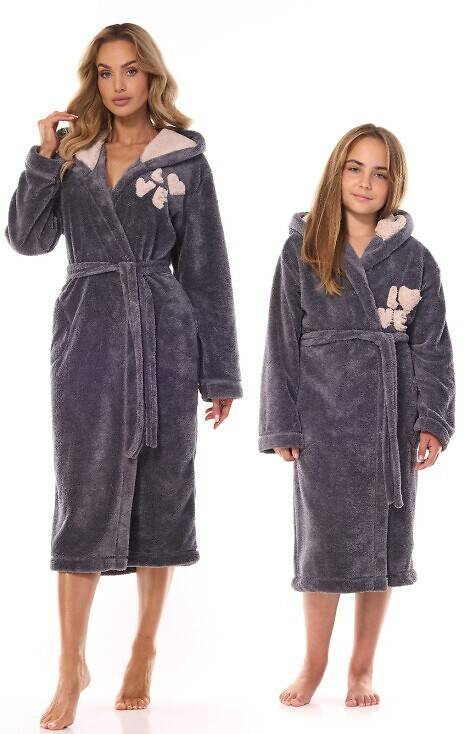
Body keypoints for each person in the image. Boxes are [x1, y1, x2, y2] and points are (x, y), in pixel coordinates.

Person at [5, 22, 242, 730]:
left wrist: (219, 373)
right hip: (87, 337)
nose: (118, 84)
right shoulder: (71, 156)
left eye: (130, 70)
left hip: (165, 337)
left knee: (163, 492)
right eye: (105, 72)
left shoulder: (184, 160)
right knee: (81, 495)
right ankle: (69, 665)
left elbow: (206, 270)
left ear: (151, 77)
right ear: (93, 80)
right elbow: (26, 239)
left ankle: (143, 648)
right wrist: (42, 158)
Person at [258, 123, 455, 708]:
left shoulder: (416, 259)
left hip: (392, 418)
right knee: (322, 542)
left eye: (380, 173)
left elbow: (433, 347)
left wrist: (432, 419)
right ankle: (314, 662)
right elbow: (280, 340)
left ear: (395, 184)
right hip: (323, 417)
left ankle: (362, 668)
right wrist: (282, 422)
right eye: (354, 168)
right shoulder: (303, 248)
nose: (366, 182)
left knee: (384, 543)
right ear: (336, 173)